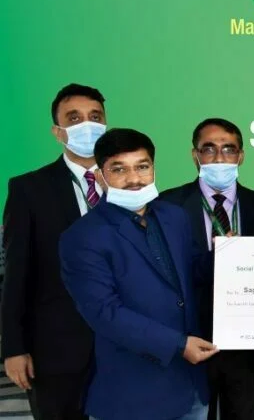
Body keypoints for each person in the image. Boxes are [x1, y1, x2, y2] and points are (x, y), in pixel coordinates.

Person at [59, 128, 217, 420]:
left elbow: (193, 271)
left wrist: (234, 253)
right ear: (101, 175)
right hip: (132, 395)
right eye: (119, 169)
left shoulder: (174, 217)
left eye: (142, 167)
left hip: (190, 388)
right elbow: (104, 312)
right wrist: (178, 345)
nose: (134, 179)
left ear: (153, 168)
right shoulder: (83, 236)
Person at [2, 83, 107, 419]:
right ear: (57, 131)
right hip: (56, 351)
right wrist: (14, 348)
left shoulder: (131, 187)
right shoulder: (29, 189)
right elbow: (16, 274)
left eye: (95, 117)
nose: (86, 125)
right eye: (74, 118)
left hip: (124, 349)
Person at [161, 118, 254, 420]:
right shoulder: (168, 205)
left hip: (247, 345)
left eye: (229, 149)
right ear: (195, 155)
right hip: (189, 341)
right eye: (209, 149)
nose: (219, 158)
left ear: (241, 156)